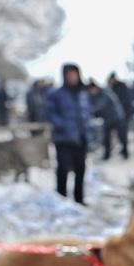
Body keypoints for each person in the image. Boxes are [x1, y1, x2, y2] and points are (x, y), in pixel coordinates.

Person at [45, 63, 92, 205]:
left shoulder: (83, 93)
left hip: (80, 138)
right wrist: (62, 125)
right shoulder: (56, 95)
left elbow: (87, 114)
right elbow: (49, 114)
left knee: (80, 169)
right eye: (69, 74)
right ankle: (61, 198)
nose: (72, 77)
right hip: (63, 139)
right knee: (63, 169)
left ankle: (79, 199)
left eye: (74, 74)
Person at [88, 80, 128, 160]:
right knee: (106, 138)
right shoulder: (93, 96)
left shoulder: (105, 93)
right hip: (107, 120)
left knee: (122, 137)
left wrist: (92, 111)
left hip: (117, 117)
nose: (91, 92)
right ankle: (107, 154)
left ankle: (125, 153)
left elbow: (101, 106)